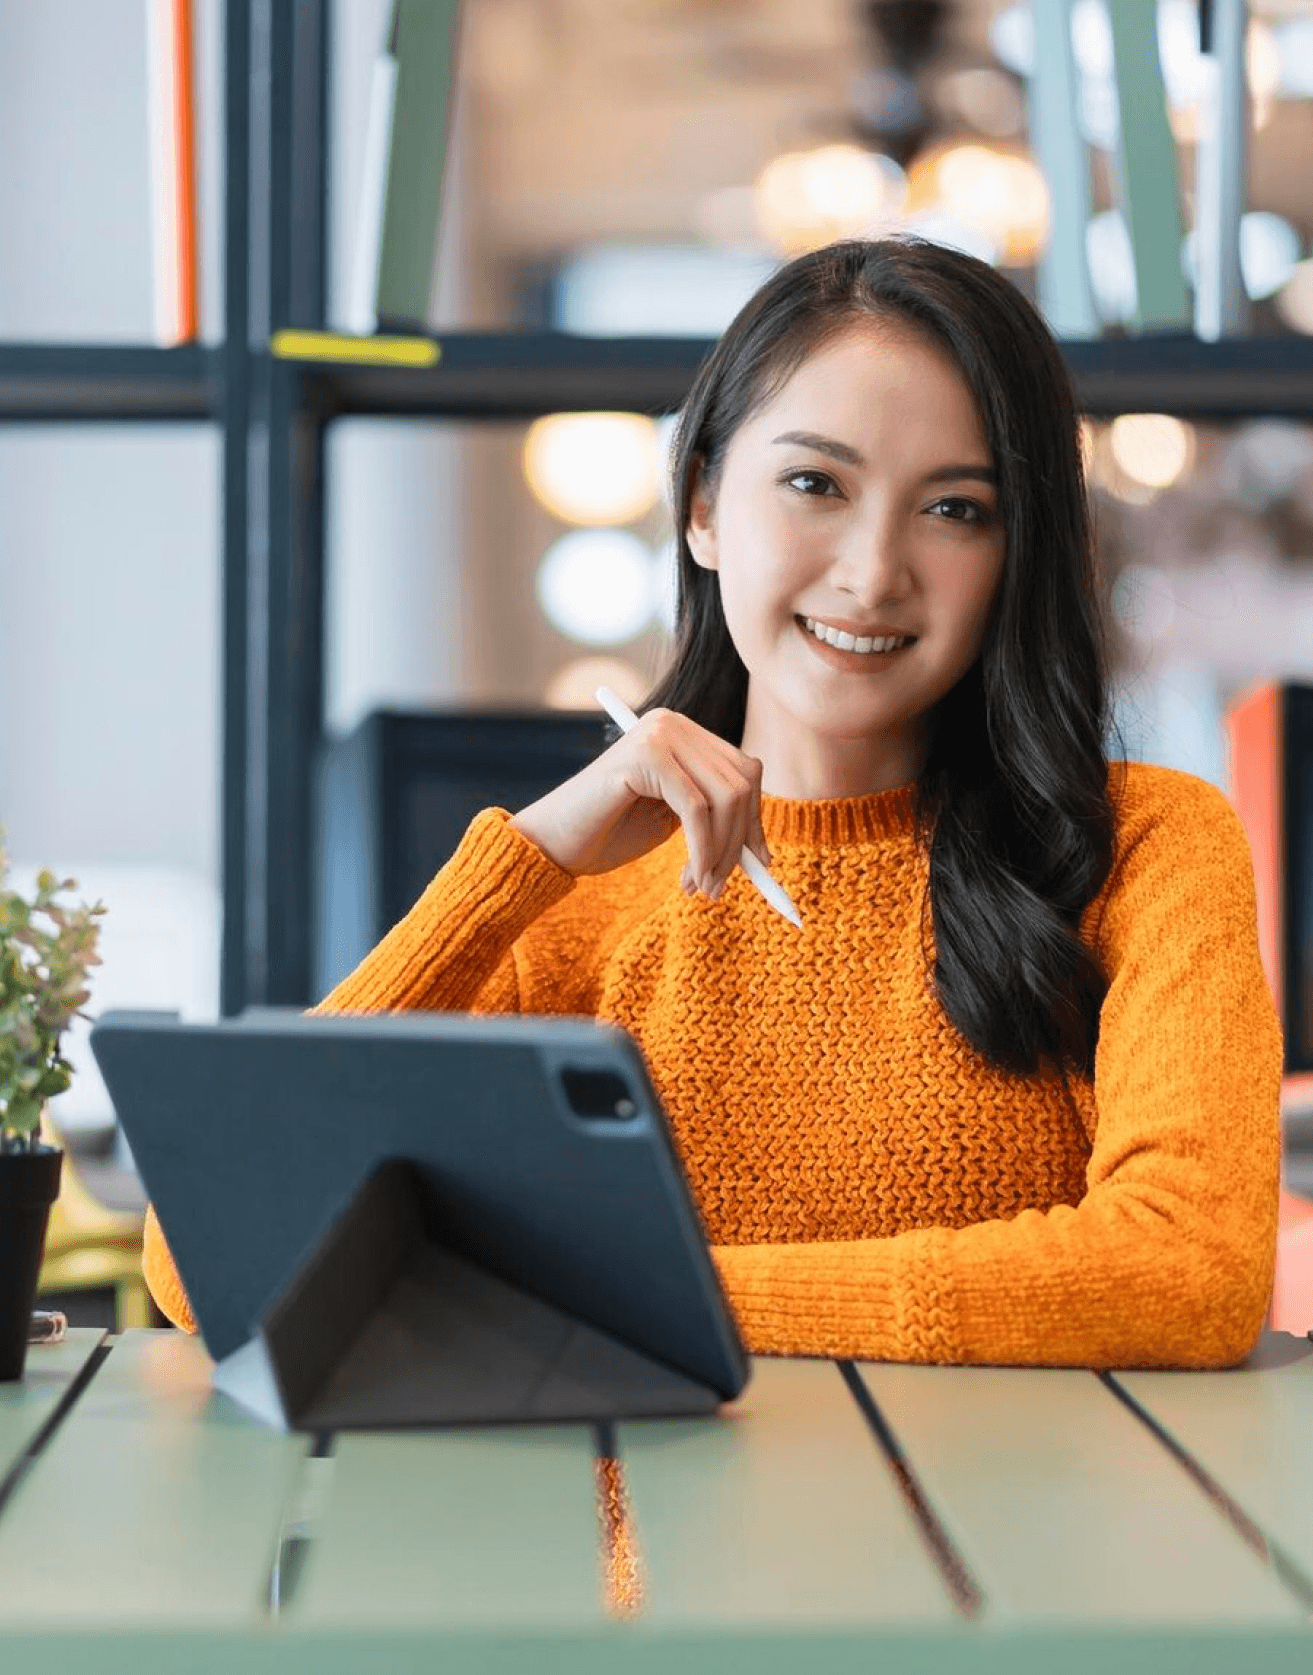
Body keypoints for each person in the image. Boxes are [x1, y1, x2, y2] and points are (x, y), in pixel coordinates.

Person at [143, 238, 1281, 1368]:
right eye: (813, 484)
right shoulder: (575, 914)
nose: (873, 570)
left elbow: (1187, 1273)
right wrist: (519, 864)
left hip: (1009, 1549)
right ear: (700, 506)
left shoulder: (1143, 844)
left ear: (1014, 549)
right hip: (635, 1548)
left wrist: (633, 1287)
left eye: (956, 509)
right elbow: (207, 1259)